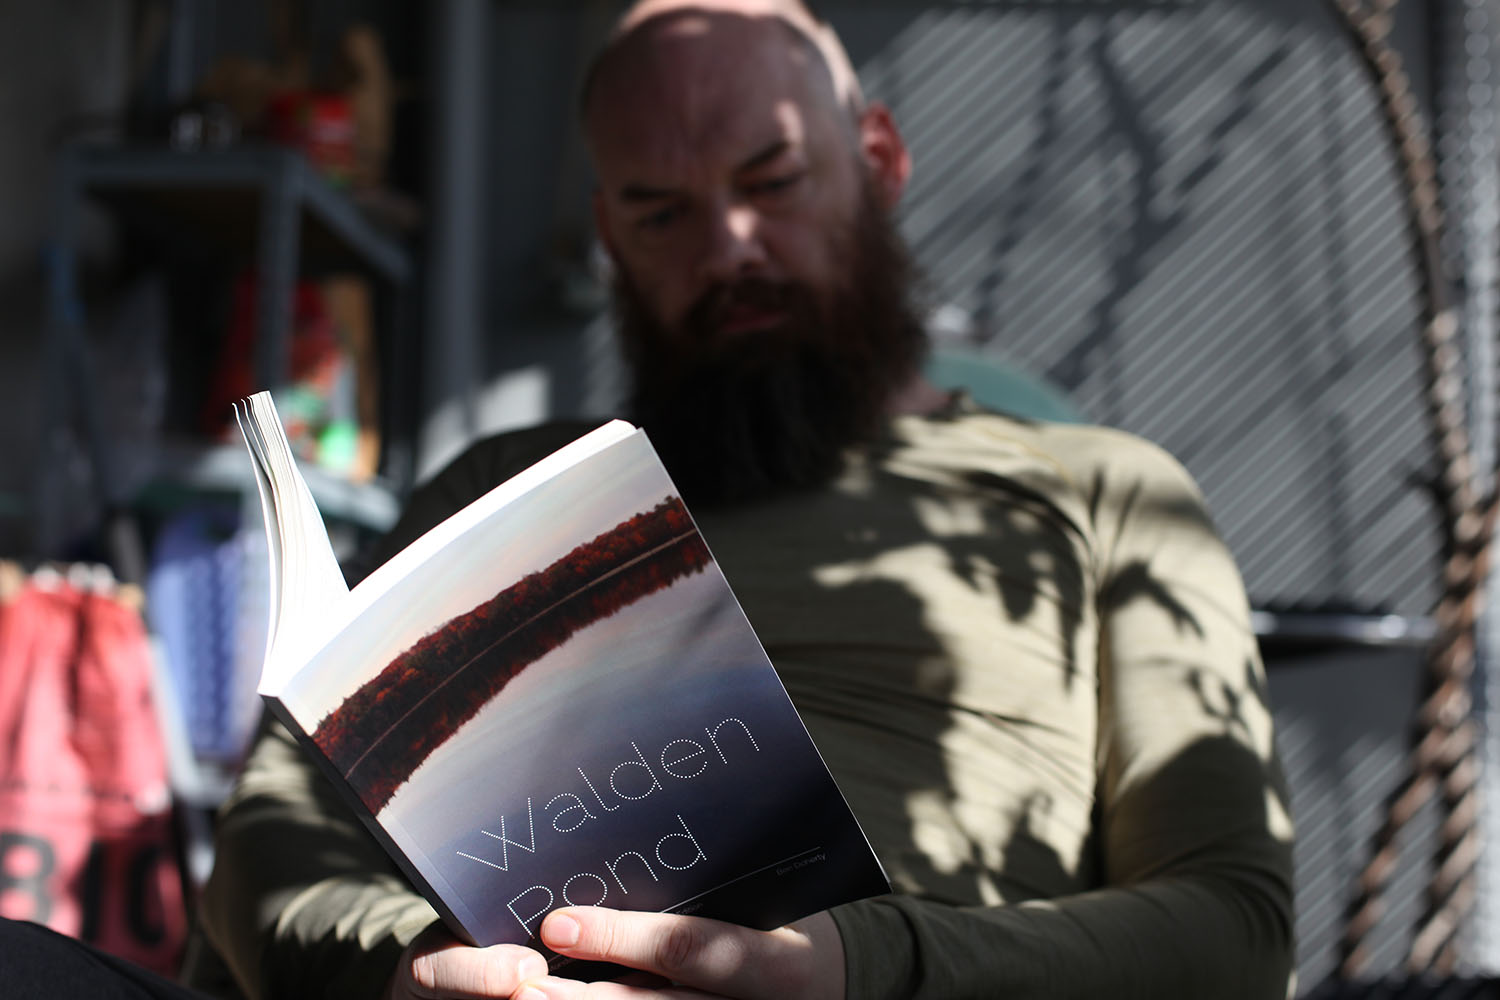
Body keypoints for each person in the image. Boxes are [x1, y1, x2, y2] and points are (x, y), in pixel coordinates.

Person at [188, 1, 1295, 997]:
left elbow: (1235, 927)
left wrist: (863, 969)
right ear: (610, 236)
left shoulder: (1106, 494)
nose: (728, 249)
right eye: (661, 212)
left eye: (772, 183)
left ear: (878, 162)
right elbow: (273, 837)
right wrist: (409, 971)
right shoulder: (503, 488)